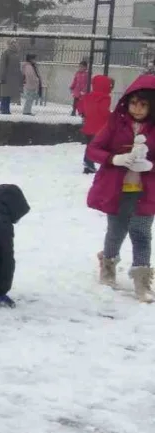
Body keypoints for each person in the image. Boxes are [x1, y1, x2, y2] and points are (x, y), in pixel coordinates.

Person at [86, 74, 155, 302]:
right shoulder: (116, 123)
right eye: (134, 103)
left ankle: (142, 280)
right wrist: (114, 159)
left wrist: (150, 164)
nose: (137, 109)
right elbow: (93, 150)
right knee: (116, 232)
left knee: (142, 234)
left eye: (143, 104)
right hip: (118, 191)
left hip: (146, 192)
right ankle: (108, 265)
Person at [78, 75, 114, 174]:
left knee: (90, 145)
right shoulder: (105, 98)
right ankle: (90, 162)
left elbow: (80, 106)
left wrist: (84, 113)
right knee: (98, 146)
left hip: (88, 126)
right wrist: (111, 116)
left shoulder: (88, 96)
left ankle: (88, 164)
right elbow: (104, 111)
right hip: (99, 128)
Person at [0, 40, 22, 114]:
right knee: (6, 94)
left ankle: (4, 108)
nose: (16, 45)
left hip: (12, 77)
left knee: (7, 94)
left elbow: (18, 67)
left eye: (16, 43)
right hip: (7, 76)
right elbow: (3, 65)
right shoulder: (6, 53)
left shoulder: (16, 54)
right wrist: (2, 76)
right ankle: (4, 109)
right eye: (14, 43)